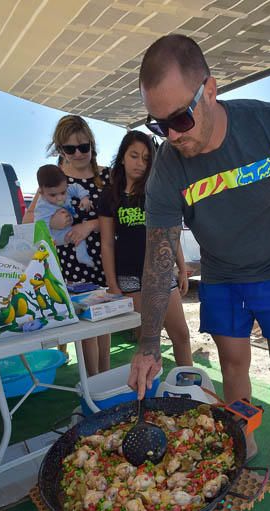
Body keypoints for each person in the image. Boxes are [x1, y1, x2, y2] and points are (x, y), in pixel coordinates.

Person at [128, 34, 270, 507]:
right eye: (159, 125)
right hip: (221, 276)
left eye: (180, 118)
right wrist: (146, 344)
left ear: (211, 89)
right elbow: (158, 257)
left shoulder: (268, 125)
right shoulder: (167, 167)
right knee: (233, 367)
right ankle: (243, 452)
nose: (173, 135)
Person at [99, 131, 192, 366]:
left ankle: (191, 387)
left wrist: (181, 268)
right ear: (122, 157)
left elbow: (171, 235)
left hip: (162, 275)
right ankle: (149, 396)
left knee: (181, 335)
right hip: (130, 278)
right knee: (147, 342)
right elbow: (108, 243)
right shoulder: (110, 195)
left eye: (146, 158)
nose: (140, 163)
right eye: (134, 156)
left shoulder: (157, 190)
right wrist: (113, 284)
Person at [46, 114, 112, 376]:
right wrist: (52, 220)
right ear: (60, 150)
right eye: (70, 149)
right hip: (72, 264)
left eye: (83, 146)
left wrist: (89, 225)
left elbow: (121, 217)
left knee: (105, 323)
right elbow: (32, 219)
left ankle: (104, 383)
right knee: (86, 329)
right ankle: (92, 387)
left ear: (92, 145)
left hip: (105, 258)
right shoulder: (54, 180)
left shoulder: (107, 176)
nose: (78, 153)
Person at [34, 164, 95, 268]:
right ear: (42, 192)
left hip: (70, 228)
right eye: (53, 195)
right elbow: (39, 227)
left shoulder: (66, 188)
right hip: (55, 236)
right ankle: (81, 256)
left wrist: (84, 197)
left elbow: (76, 187)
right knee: (76, 236)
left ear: (66, 185)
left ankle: (82, 257)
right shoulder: (42, 207)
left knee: (78, 234)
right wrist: (52, 224)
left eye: (63, 192)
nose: (59, 198)